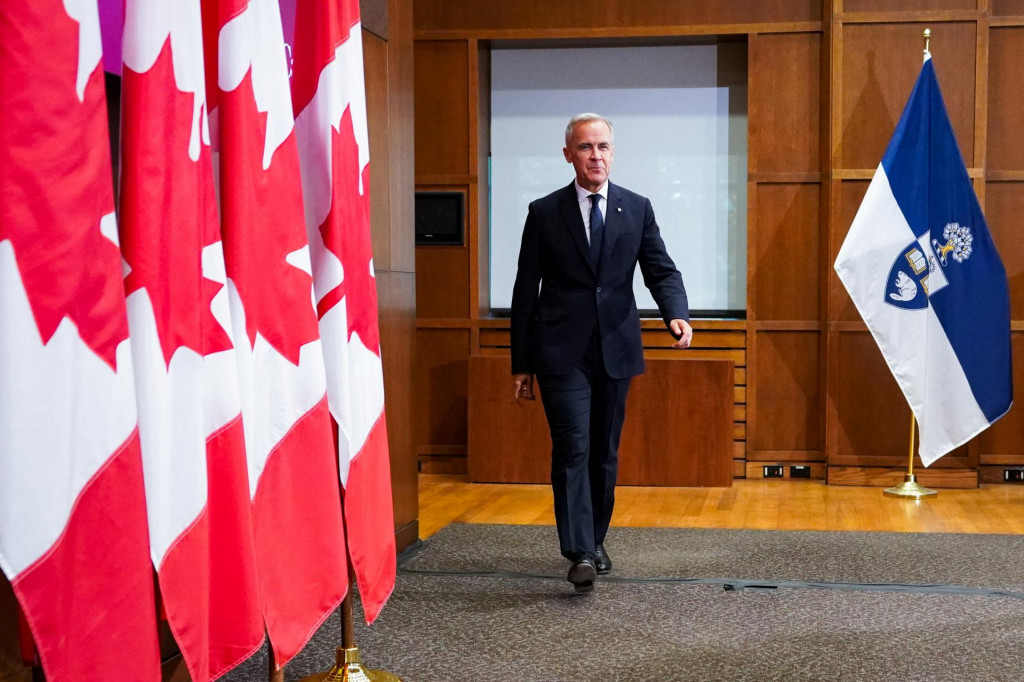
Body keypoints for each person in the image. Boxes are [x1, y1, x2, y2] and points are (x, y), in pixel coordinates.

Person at [510, 112, 692, 594]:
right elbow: (526, 289)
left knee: (603, 454)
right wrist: (522, 363)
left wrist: (676, 312)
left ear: (613, 152)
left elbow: (660, 269)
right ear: (568, 154)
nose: (596, 156)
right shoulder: (545, 212)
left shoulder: (636, 207)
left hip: (616, 348)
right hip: (560, 352)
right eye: (586, 147)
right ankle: (580, 552)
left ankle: (595, 538)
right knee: (572, 446)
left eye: (603, 147)